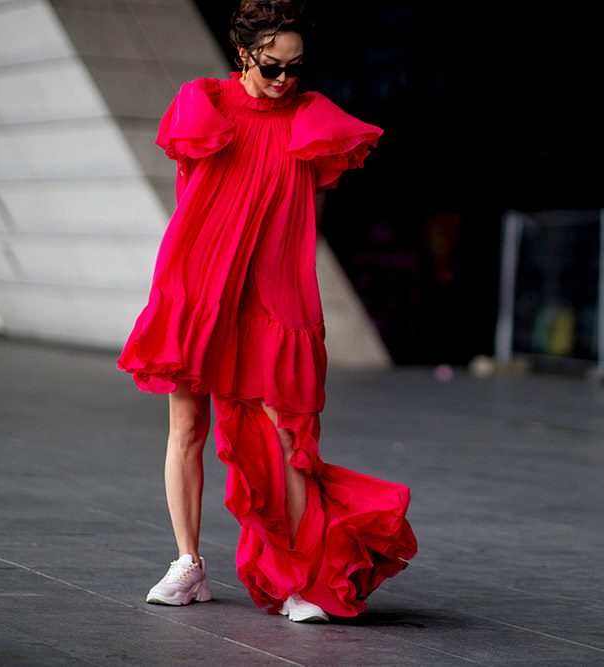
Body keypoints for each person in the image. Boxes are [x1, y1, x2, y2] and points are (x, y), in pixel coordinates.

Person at [117, 0, 417, 623]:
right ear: (241, 55)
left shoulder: (311, 117)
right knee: (188, 429)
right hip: (201, 286)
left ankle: (302, 581)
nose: (284, 79)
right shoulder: (204, 103)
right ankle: (188, 564)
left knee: (289, 439)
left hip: (274, 294)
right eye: (271, 66)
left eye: (295, 68)